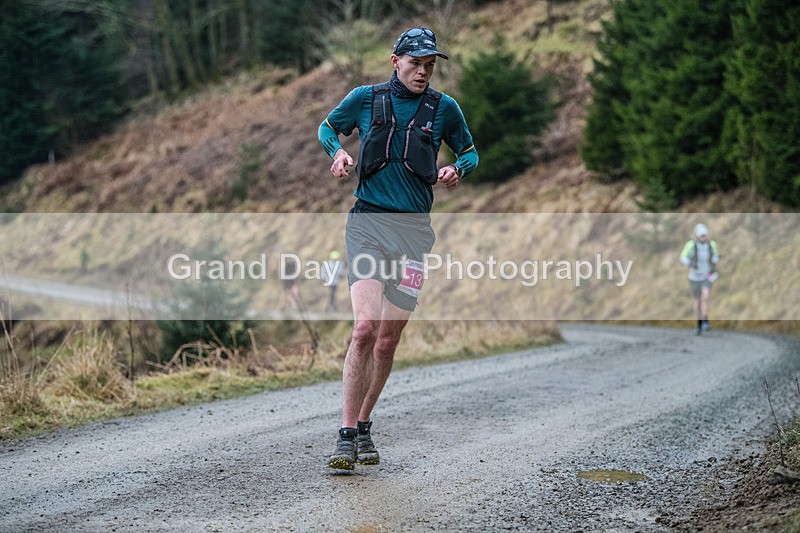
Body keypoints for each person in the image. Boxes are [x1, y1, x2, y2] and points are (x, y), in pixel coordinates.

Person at [318, 27, 478, 470]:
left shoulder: (444, 109)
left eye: (430, 65)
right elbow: (327, 128)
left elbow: (470, 152)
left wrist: (458, 169)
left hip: (414, 236)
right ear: (395, 61)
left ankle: (364, 424)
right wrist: (336, 153)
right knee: (365, 328)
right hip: (368, 224)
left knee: (388, 340)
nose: (423, 72)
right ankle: (346, 436)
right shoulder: (365, 99)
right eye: (416, 64)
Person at [679, 223, 719, 335]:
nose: (703, 237)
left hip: (707, 276)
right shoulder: (690, 245)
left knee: (705, 297)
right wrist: (690, 263)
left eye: (704, 235)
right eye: (701, 235)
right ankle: (699, 324)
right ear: (697, 236)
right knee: (697, 301)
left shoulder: (712, 245)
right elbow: (682, 257)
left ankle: (705, 320)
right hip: (694, 277)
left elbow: (716, 256)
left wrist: (713, 263)